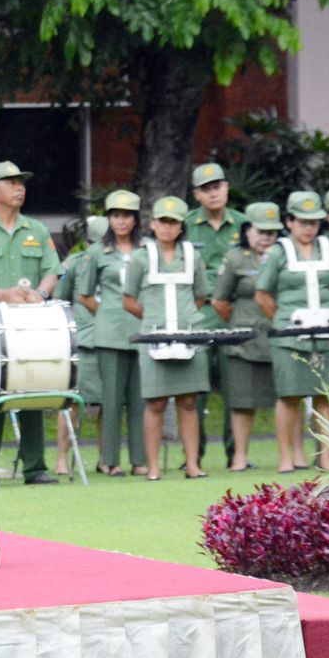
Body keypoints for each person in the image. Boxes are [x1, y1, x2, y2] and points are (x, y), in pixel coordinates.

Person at [0, 160, 62, 485]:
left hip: (32, 324)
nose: (19, 187)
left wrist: (41, 292)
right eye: (10, 182)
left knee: (32, 388)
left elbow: (53, 270)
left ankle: (35, 467)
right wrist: (3, 295)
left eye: (21, 182)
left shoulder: (36, 230)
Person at [256, 191, 329, 473]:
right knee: (289, 395)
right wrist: (282, 321)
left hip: (326, 331)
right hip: (289, 335)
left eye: (314, 222)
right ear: (290, 222)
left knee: (325, 396)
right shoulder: (279, 252)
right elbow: (263, 294)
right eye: (303, 222)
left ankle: (326, 456)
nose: (309, 228)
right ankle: (285, 457)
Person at [122, 196, 210, 481]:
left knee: (188, 401)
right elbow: (128, 299)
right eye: (162, 221)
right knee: (155, 403)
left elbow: (200, 297)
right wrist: (152, 321)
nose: (167, 227)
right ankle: (154, 467)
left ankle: (193, 464)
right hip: (154, 336)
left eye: (173, 222)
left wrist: (183, 321)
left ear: (181, 226)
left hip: (189, 334)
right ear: (153, 223)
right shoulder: (140, 257)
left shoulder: (192, 255)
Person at [78, 189, 147, 477]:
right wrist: (106, 316)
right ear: (108, 219)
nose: (121, 221)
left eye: (127, 215)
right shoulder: (97, 253)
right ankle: (109, 459)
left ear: (136, 219)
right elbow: (84, 295)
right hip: (109, 332)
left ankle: (140, 459)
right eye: (115, 215)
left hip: (143, 329)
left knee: (140, 399)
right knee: (111, 398)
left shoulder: (147, 250)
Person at [212, 202, 282, 471]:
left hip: (278, 336)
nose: (266, 237)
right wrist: (240, 323)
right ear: (247, 230)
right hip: (244, 341)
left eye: (272, 232)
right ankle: (240, 456)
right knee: (242, 401)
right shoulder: (236, 259)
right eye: (260, 231)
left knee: (286, 398)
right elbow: (219, 301)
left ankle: (288, 455)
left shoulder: (284, 256)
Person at [184, 163, 244, 467]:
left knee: (237, 389)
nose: (213, 193)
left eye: (217, 186)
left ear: (227, 187)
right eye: (206, 189)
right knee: (195, 390)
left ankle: (238, 454)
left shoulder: (245, 225)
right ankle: (194, 456)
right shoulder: (184, 225)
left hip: (236, 315)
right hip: (200, 314)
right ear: (197, 194)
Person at [53, 215, 106, 475]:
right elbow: (61, 302)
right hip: (82, 341)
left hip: (113, 341)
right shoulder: (74, 264)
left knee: (110, 403)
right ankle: (62, 458)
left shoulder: (124, 262)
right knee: (72, 402)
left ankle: (105, 458)